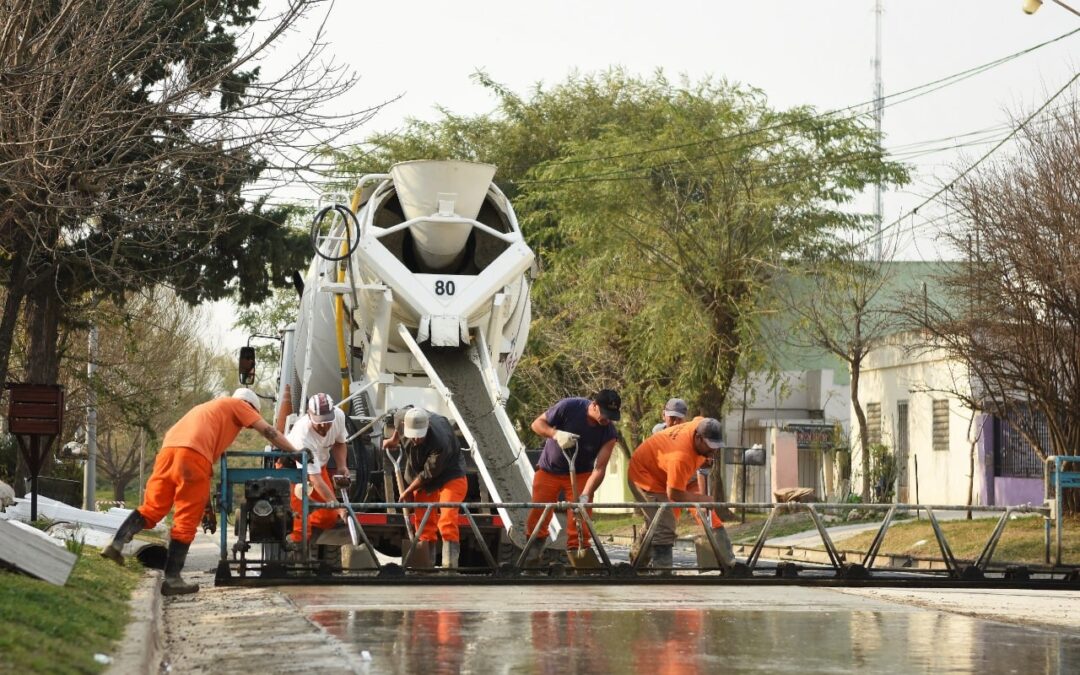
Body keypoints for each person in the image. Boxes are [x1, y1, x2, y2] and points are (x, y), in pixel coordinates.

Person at [101, 388, 304, 595]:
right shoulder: (239, 405)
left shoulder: (209, 411)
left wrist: (207, 507)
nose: (247, 427)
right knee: (186, 520)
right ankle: (172, 579)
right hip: (193, 455)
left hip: (168, 451)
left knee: (153, 508)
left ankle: (116, 544)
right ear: (250, 407)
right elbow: (269, 432)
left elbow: (200, 475)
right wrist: (295, 453)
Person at [627, 416, 735, 571]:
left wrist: (703, 459)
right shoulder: (681, 458)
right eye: (710, 447)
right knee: (664, 523)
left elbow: (699, 419)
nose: (713, 452)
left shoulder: (701, 424)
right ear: (698, 438)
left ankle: (727, 562)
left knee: (699, 513)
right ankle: (661, 570)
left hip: (670, 472)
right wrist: (702, 498)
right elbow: (675, 494)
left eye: (716, 447)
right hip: (645, 475)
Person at [524, 389, 621, 561]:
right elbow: (536, 424)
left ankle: (579, 558)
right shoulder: (570, 407)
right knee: (539, 514)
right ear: (594, 405)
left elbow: (599, 468)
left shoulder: (609, 433)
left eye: (611, 416)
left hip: (581, 474)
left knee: (580, 517)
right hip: (549, 471)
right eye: (605, 414)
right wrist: (555, 434)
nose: (607, 420)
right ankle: (532, 557)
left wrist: (585, 494)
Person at [383, 408, 468, 568]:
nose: (415, 439)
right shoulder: (402, 418)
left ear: (427, 428)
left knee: (447, 517)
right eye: (412, 435)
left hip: (450, 474)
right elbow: (398, 424)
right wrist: (394, 440)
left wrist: (407, 491)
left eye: (419, 435)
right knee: (423, 520)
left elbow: (428, 474)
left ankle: (450, 565)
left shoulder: (440, 442)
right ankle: (424, 564)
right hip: (421, 471)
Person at [286, 392, 351, 544]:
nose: (324, 425)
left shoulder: (339, 417)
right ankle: (294, 554)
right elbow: (315, 480)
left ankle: (312, 538)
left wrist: (342, 466)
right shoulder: (303, 434)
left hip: (318, 468)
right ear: (309, 415)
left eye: (327, 421)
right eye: (319, 422)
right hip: (292, 471)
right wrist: (339, 507)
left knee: (328, 517)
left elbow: (340, 442)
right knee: (299, 524)